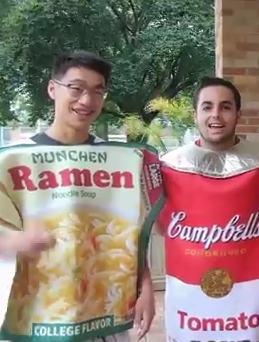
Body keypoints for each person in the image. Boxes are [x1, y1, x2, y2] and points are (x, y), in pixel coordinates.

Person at [0, 50, 161, 342]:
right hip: (39, 314)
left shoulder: (119, 160)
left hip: (106, 314)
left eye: (98, 91)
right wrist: (16, 242)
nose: (87, 101)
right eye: (76, 88)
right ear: (52, 88)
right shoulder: (14, 160)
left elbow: (132, 234)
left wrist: (145, 288)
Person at [158, 76, 259, 342]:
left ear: (238, 114)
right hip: (188, 305)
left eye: (225, 107)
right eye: (207, 107)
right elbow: (155, 227)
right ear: (195, 114)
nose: (216, 115)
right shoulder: (168, 167)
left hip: (250, 302)